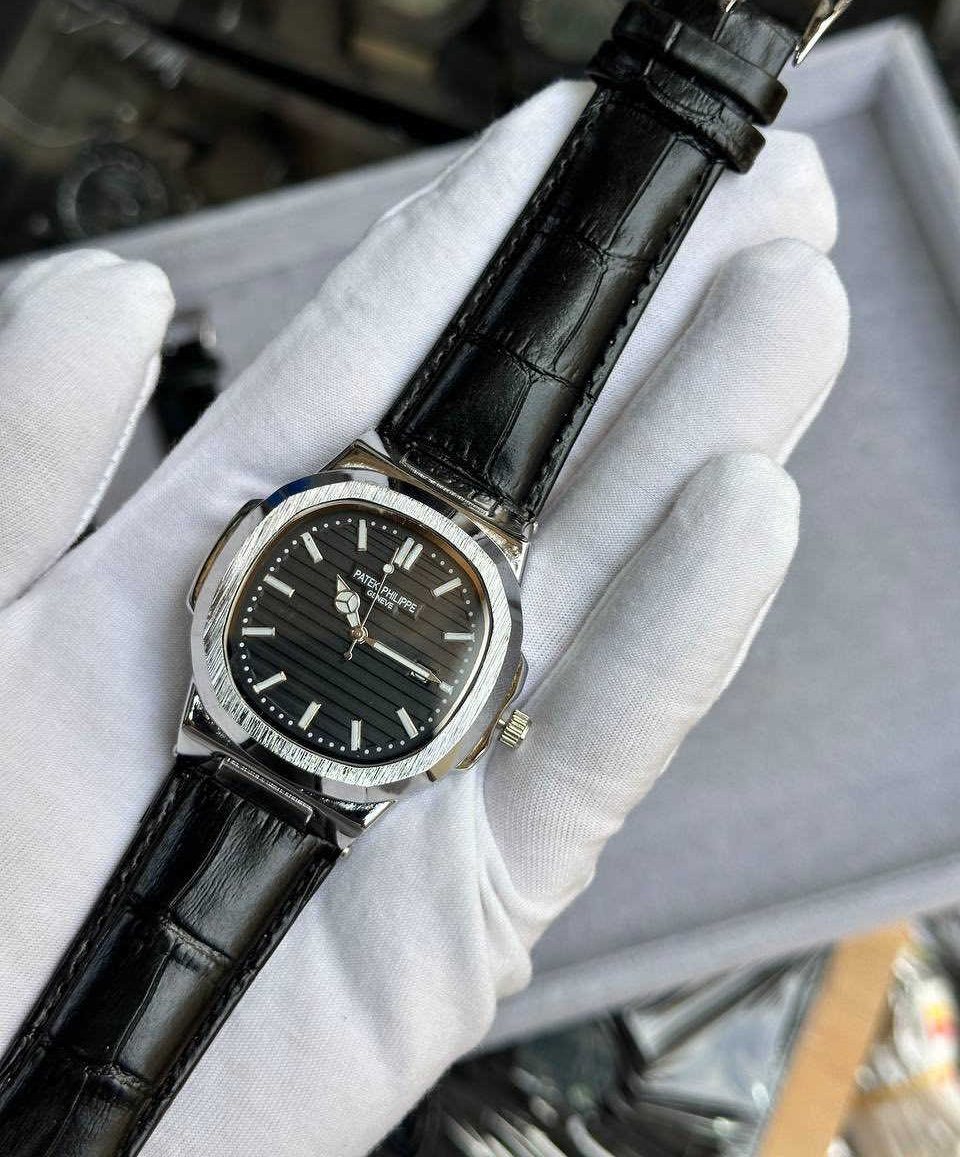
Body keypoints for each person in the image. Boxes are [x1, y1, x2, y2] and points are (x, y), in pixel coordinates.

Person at [0, 79, 847, 1156]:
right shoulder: (275, 590)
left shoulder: (395, 611)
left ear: (484, 709)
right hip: (251, 709)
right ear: (230, 565)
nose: (364, 632)